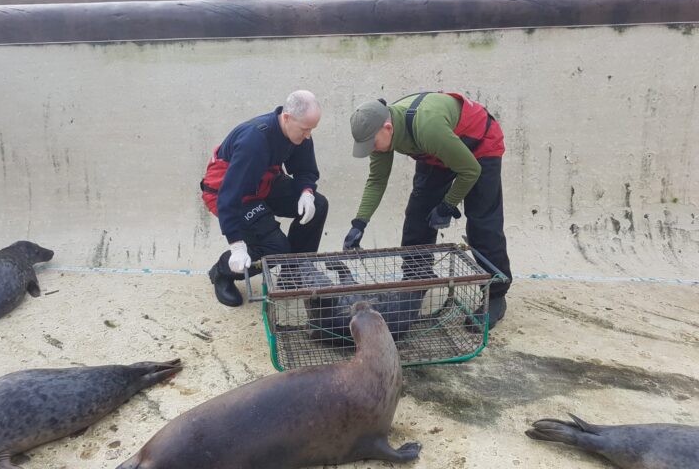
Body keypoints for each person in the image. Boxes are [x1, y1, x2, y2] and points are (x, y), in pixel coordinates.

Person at [343, 91, 511, 328]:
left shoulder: (426, 127)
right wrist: (359, 223)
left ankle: (496, 294)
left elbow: (470, 170)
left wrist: (447, 205)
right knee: (417, 217)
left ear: (388, 128)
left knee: (482, 222)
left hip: (479, 147)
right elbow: (377, 181)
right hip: (438, 152)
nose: (372, 149)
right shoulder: (380, 135)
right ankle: (416, 279)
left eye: (372, 144)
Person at [200, 90, 328, 307]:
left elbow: (305, 170)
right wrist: (237, 245)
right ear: (287, 118)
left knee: (318, 204)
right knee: (276, 248)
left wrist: (306, 192)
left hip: (264, 185)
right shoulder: (254, 141)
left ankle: (292, 273)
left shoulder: (298, 133)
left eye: (311, 130)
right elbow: (228, 197)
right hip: (232, 196)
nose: (308, 136)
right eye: (305, 130)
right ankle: (222, 272)